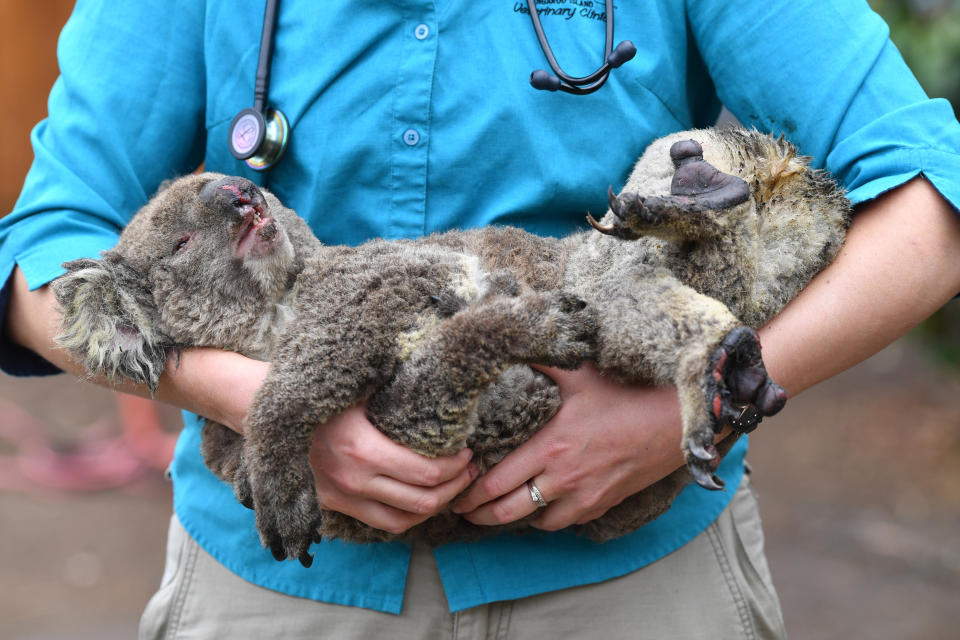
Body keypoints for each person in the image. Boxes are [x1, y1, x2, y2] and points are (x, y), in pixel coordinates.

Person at [2, 1, 959, 637]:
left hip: (628, 571)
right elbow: (43, 246)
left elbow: (931, 210)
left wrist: (677, 415)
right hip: (281, 576)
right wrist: (260, 407)